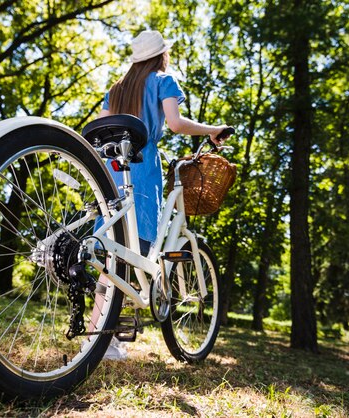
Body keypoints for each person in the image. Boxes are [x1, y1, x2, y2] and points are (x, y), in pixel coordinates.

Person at [92, 30, 230, 360]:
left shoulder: (117, 88)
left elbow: (100, 124)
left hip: (112, 166)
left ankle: (99, 336)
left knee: (112, 252)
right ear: (160, 55)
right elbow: (176, 123)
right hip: (142, 164)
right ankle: (109, 341)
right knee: (135, 249)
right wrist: (213, 131)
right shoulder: (162, 80)